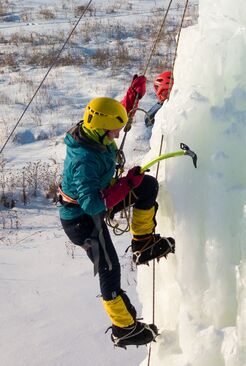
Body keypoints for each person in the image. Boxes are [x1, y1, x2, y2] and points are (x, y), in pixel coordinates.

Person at [58, 75, 176, 348]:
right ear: (100, 130)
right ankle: (123, 328)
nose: (118, 134)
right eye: (113, 131)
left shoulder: (95, 132)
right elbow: (93, 205)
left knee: (147, 186)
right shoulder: (84, 161)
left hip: (101, 198)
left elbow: (116, 118)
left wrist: (133, 97)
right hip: (80, 221)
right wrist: (124, 186)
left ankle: (143, 243)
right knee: (109, 267)